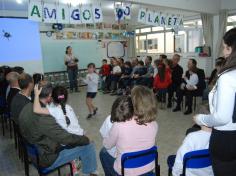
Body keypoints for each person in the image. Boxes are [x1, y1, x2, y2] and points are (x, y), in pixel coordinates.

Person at [19, 81, 98, 176]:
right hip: (47, 158)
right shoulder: (44, 118)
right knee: (88, 145)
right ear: (50, 95)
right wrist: (86, 139)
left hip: (34, 152)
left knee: (77, 141)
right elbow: (65, 138)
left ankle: (76, 168)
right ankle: (90, 172)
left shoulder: (26, 107)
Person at [194, 27, 236, 176]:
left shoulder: (228, 77)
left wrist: (201, 118)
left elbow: (222, 118)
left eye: (226, 47)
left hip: (227, 140)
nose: (224, 52)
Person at [100, 86, 158, 176]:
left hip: (126, 172)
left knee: (103, 152)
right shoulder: (154, 124)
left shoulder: (119, 125)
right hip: (148, 168)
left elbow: (107, 145)